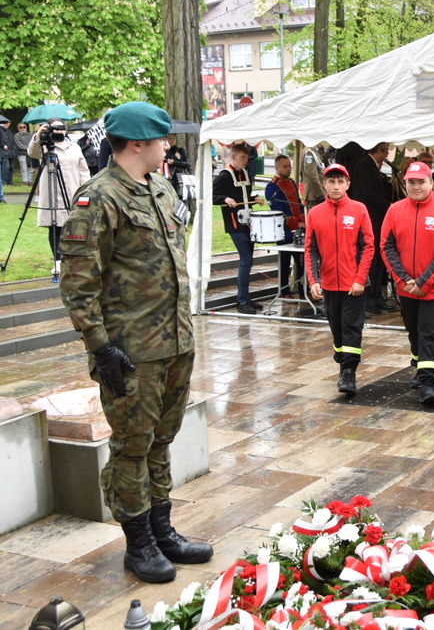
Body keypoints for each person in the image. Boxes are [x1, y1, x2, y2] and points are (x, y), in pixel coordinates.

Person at [58, 101, 213, 584]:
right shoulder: (98, 198)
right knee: (132, 446)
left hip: (175, 342)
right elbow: (78, 284)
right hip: (131, 352)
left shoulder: (160, 187)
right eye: (162, 138)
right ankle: (138, 543)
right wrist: (100, 346)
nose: (168, 145)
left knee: (161, 441)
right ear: (138, 143)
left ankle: (163, 530)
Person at [381, 161, 434, 405]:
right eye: (411, 182)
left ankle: (428, 381)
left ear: (431, 182)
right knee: (414, 331)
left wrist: (424, 281)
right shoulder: (394, 210)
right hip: (406, 287)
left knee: (429, 332)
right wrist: (403, 279)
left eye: (421, 182)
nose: (416, 187)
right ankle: (420, 366)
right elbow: (386, 246)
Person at [305, 163, 375, 396]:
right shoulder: (315, 213)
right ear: (324, 184)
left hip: (354, 284)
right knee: (336, 327)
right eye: (331, 181)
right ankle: (341, 356)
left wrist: (360, 278)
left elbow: (368, 246)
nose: (336, 186)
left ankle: (348, 372)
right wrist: (313, 280)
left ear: (347, 185)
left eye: (340, 182)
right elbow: (310, 249)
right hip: (328, 284)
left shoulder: (359, 209)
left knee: (351, 328)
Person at [28, 118, 91, 278]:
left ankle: (74, 259)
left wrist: (86, 189)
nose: (59, 131)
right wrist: (39, 134)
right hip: (53, 193)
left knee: (75, 226)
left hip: (73, 191)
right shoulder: (44, 146)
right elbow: (32, 152)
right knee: (55, 226)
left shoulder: (75, 147)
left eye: (62, 128)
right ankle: (57, 261)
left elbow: (83, 170)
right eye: (55, 128)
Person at [212, 143, 266, 314]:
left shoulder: (245, 173)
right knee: (246, 260)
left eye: (247, 157)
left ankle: (245, 298)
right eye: (243, 157)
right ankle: (242, 300)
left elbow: (243, 196)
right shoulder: (224, 175)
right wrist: (224, 199)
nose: (246, 160)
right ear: (233, 157)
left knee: (248, 261)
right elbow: (211, 195)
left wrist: (254, 198)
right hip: (235, 225)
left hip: (248, 223)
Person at [353, 142, 395, 314]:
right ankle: (369, 298)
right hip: (370, 219)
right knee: (371, 261)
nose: (386, 156)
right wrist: (388, 206)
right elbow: (369, 192)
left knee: (378, 261)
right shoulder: (365, 165)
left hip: (377, 220)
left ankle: (377, 296)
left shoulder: (372, 166)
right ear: (379, 151)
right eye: (386, 152)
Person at [265, 154, 306, 298]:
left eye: (289, 166)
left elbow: (298, 203)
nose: (288, 169)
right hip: (284, 230)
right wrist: (296, 223)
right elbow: (279, 211)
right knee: (284, 261)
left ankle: (303, 290)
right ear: (276, 168)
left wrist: (303, 220)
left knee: (301, 261)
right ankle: (284, 291)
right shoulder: (271, 187)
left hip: (299, 228)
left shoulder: (292, 182)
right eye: (285, 166)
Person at [15, 121, 33, 189]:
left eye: (24, 127)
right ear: (18, 128)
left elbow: (33, 143)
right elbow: (19, 145)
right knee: (24, 168)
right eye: (20, 127)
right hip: (22, 154)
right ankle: (25, 181)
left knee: (31, 168)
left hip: (30, 154)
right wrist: (28, 148)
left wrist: (31, 149)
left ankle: (29, 181)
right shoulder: (17, 136)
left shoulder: (30, 135)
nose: (22, 128)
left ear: (26, 127)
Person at [0, 118, 15, 192]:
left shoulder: (9, 131)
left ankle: (9, 180)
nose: (7, 124)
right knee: (5, 167)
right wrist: (3, 145)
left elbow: (12, 141)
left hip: (11, 151)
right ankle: (4, 181)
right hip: (4, 152)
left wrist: (14, 149)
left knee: (12, 167)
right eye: (6, 123)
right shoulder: (0, 130)